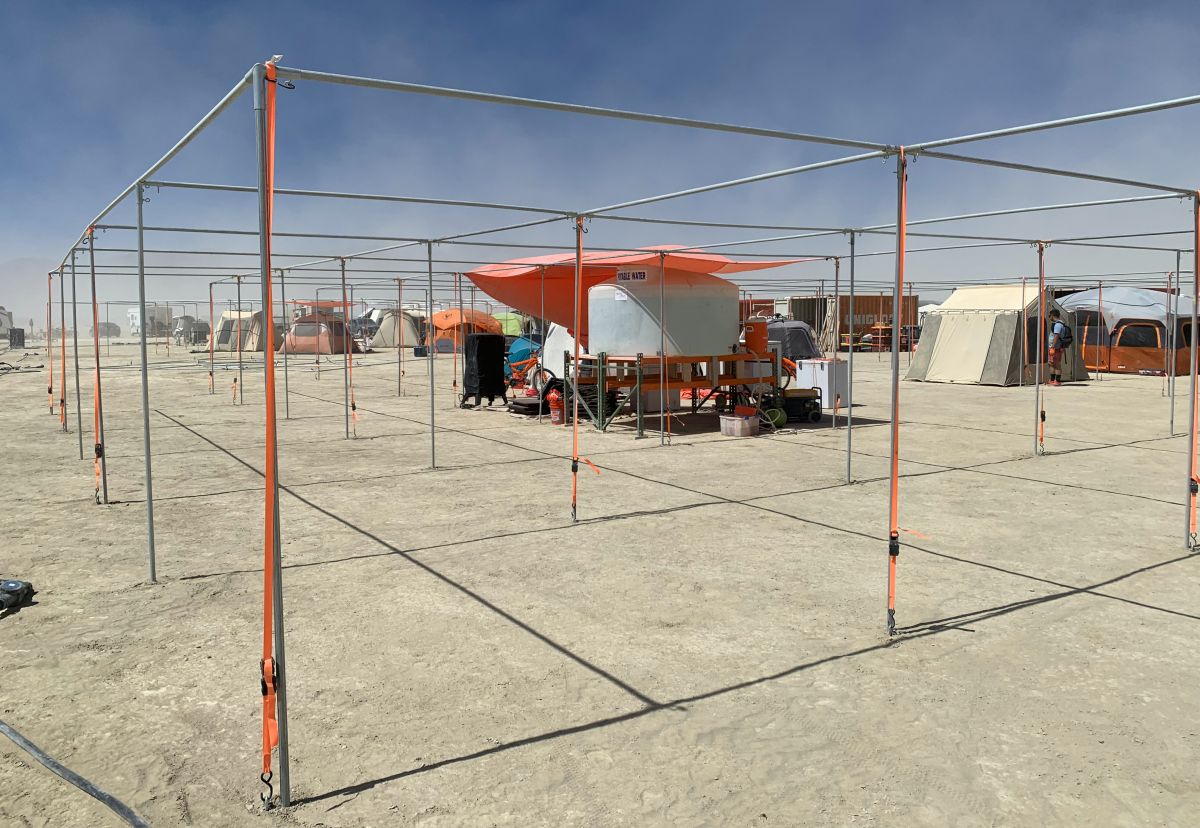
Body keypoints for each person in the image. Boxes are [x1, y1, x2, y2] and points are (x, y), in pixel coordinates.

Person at [1047, 309, 1068, 386]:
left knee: (1057, 364)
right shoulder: (1059, 324)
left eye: (1049, 315)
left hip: (1056, 348)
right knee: (1051, 363)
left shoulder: (1058, 325)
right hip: (1055, 347)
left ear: (1052, 315)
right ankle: (1052, 380)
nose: (1049, 317)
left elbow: (1056, 336)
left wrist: (1052, 347)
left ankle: (1057, 381)